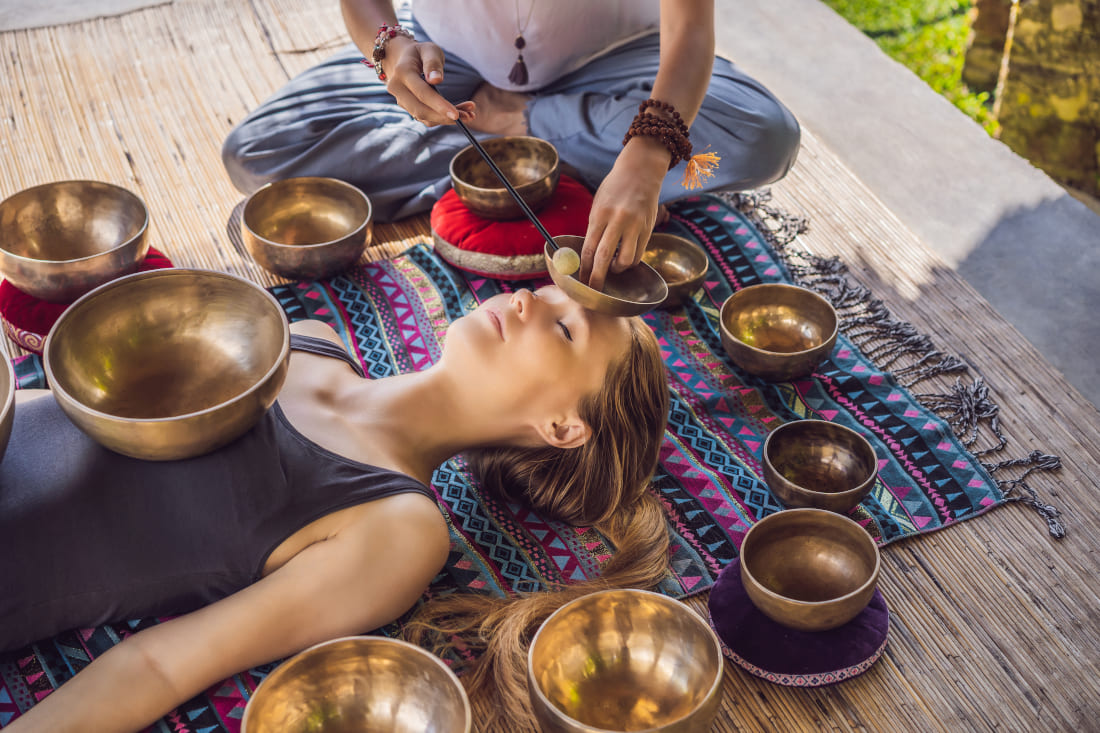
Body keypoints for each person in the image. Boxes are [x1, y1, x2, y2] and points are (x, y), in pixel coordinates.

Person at [0, 284, 671, 733]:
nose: (525, 295)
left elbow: (162, 663)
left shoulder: (398, 528)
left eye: (562, 327)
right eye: (546, 286)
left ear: (562, 426)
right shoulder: (307, 337)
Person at [221, 0, 800, 289]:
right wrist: (390, 44)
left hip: (619, 63)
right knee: (260, 151)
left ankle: (511, 133)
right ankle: (546, 149)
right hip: (448, 57)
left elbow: (690, 28)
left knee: (762, 137)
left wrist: (650, 154)